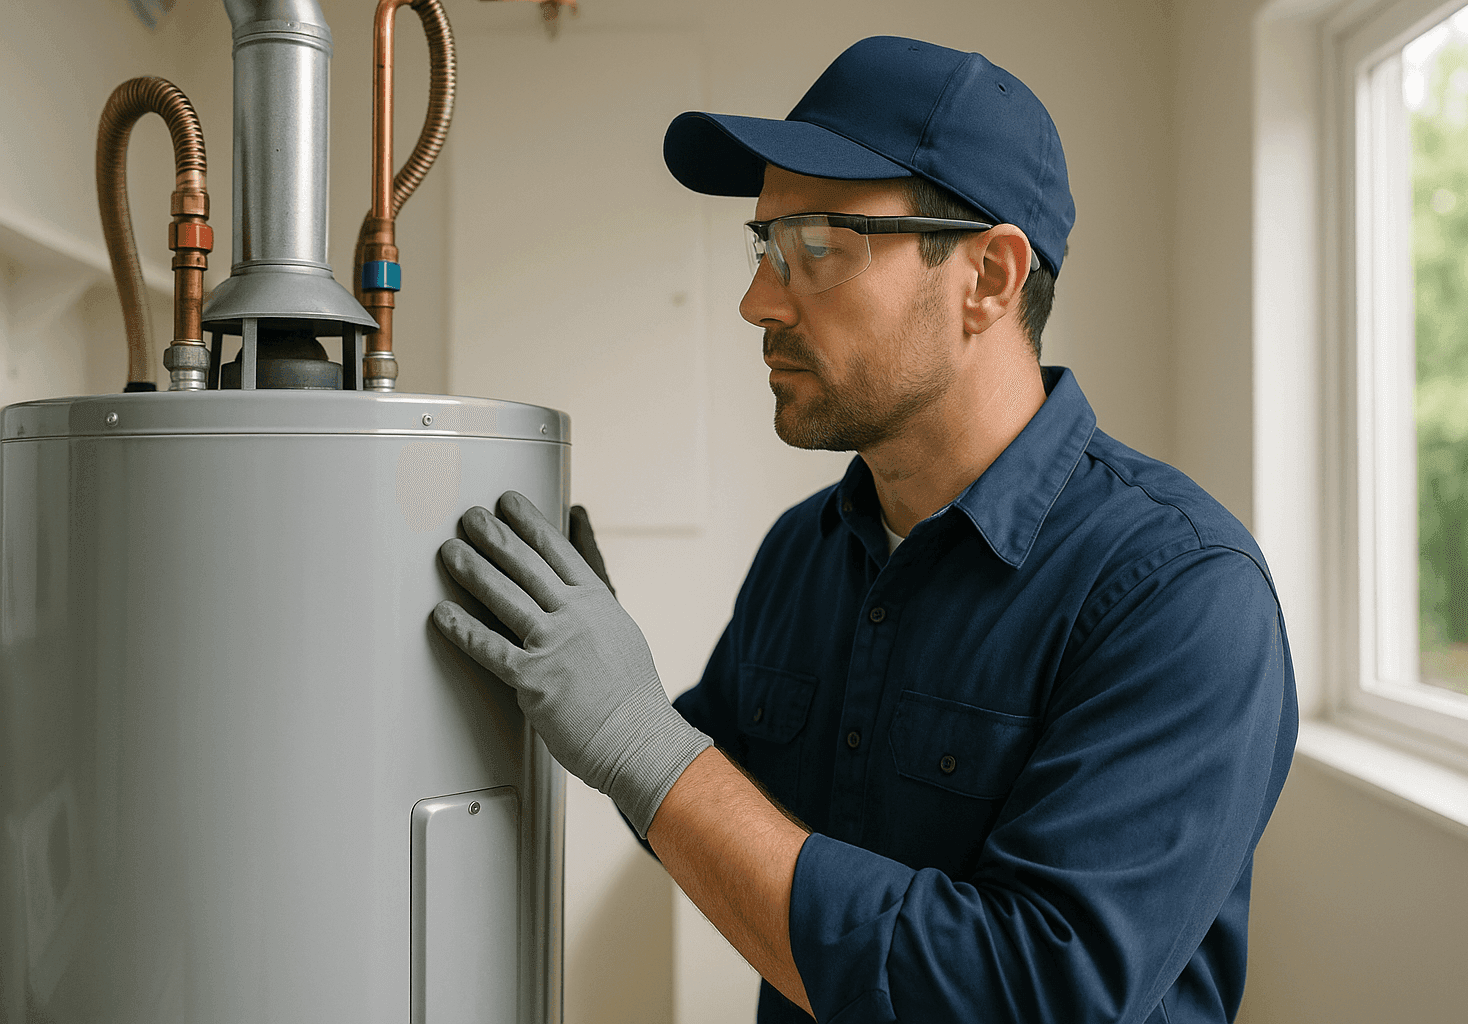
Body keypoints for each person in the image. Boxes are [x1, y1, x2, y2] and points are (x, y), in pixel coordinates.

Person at [432, 35, 1298, 1024]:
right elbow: (715, 821)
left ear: (988, 278)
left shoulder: (1180, 592)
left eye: (815, 247)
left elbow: (1030, 996)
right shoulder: (806, 552)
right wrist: (611, 706)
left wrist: (644, 745)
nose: (758, 300)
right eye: (764, 247)